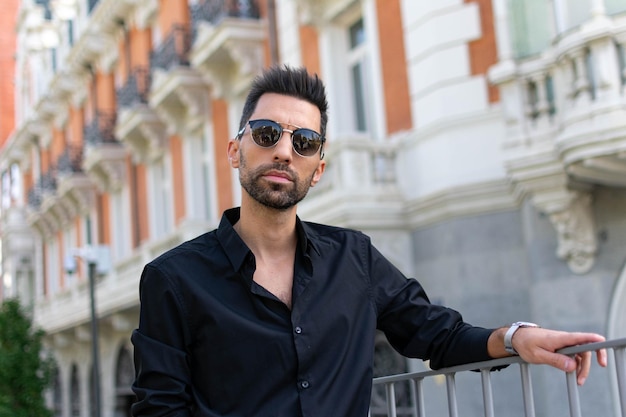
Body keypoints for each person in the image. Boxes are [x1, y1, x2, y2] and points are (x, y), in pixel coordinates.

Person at [131, 66, 607, 417]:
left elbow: (436, 335)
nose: (282, 151)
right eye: (267, 133)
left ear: (317, 169)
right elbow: (160, 409)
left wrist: (518, 337)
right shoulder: (173, 279)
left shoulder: (354, 258)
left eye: (305, 142)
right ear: (236, 151)